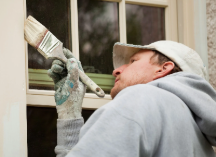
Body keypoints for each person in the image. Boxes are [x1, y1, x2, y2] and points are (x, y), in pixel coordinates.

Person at [48, 40, 216, 157]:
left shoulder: (141, 98)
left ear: (163, 69)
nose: (116, 71)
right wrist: (70, 118)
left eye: (133, 61)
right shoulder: (202, 143)